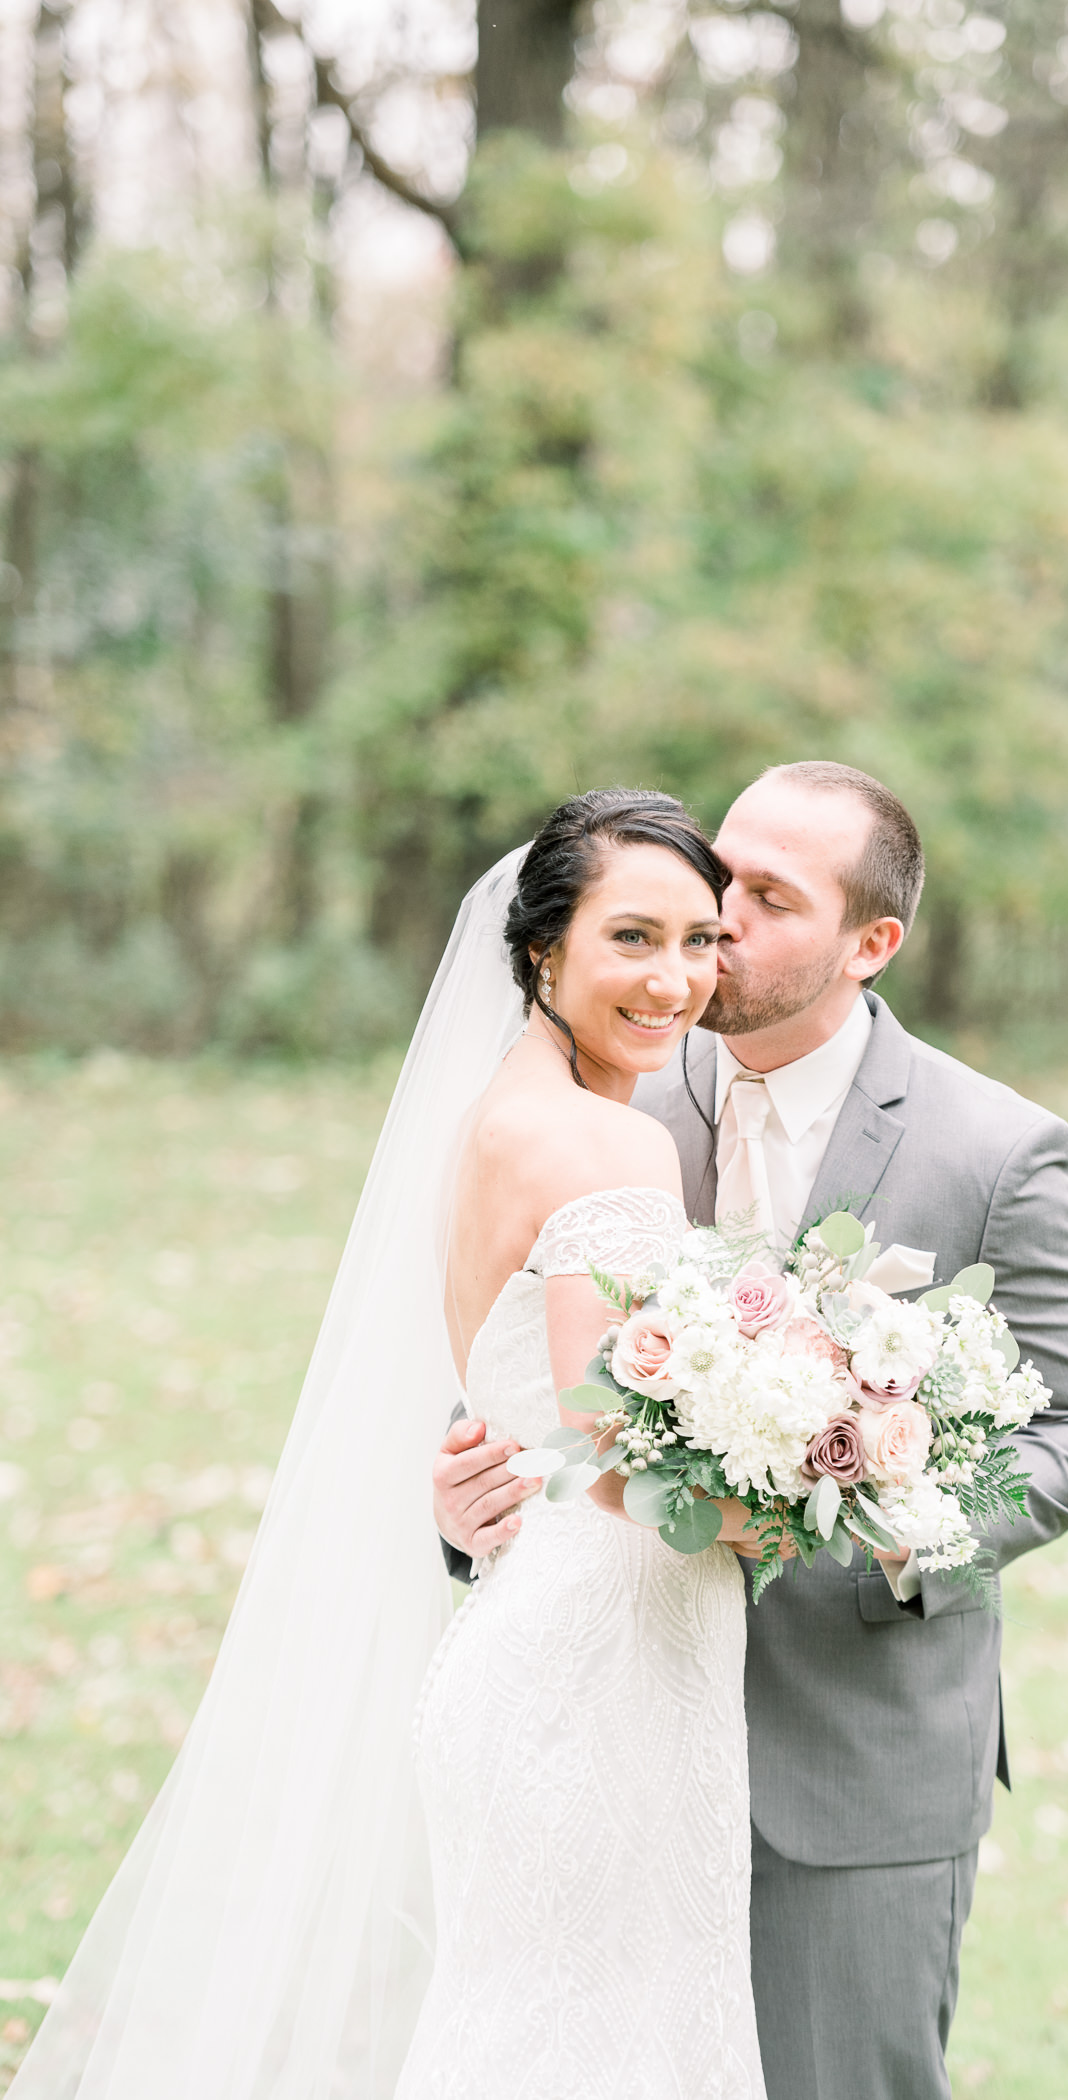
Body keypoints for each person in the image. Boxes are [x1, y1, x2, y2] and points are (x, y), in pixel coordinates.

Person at [12, 789, 767, 2100]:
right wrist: (822, 1490)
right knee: (597, 2043)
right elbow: (616, 1438)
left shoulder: (483, 1122)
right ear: (544, 951)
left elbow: (524, 1403)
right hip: (602, 1658)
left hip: (534, 1626)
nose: (676, 978)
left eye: (702, 942)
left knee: (530, 2027)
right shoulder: (609, 1139)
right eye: (633, 938)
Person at [435, 759, 1068, 2100]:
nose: (717, 921)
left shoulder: (994, 1148)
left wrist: (890, 1526)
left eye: (764, 898)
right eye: (718, 879)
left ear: (869, 944)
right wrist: (466, 1494)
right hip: (610, 1725)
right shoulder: (616, 1092)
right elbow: (528, 1369)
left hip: (852, 1755)